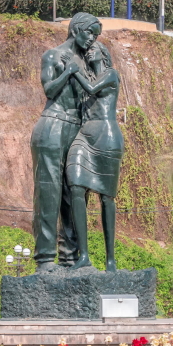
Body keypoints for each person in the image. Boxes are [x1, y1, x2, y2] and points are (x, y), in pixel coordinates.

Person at [31, 13, 101, 273]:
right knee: (49, 193)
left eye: (97, 35)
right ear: (75, 30)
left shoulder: (87, 60)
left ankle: (71, 258)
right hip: (52, 126)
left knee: (76, 193)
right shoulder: (53, 55)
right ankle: (45, 259)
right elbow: (49, 90)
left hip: (77, 129)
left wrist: (92, 68)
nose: (93, 39)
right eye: (90, 33)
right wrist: (69, 72)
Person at [65, 42, 123, 272]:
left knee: (106, 198)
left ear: (104, 55)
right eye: (88, 49)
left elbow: (91, 88)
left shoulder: (111, 74)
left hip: (107, 137)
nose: (90, 50)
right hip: (85, 135)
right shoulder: (86, 76)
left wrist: (74, 70)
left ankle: (110, 259)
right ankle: (84, 255)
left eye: (95, 48)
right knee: (76, 186)